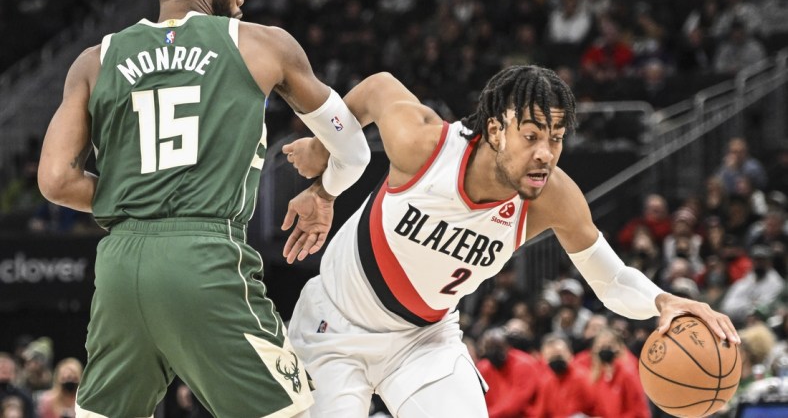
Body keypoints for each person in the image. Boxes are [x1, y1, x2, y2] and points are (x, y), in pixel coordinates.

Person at [284, 66, 739, 417]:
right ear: (497, 130)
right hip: (336, 326)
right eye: (532, 136)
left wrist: (663, 301)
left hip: (422, 340)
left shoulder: (553, 197)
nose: (546, 152)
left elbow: (613, 279)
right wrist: (324, 156)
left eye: (556, 138)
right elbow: (377, 88)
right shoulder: (425, 146)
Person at [36, 0, 371, 416]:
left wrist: (135, 202)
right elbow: (354, 149)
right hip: (207, 258)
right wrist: (324, 192)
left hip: (120, 267)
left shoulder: (95, 60)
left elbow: (55, 180)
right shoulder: (264, 45)